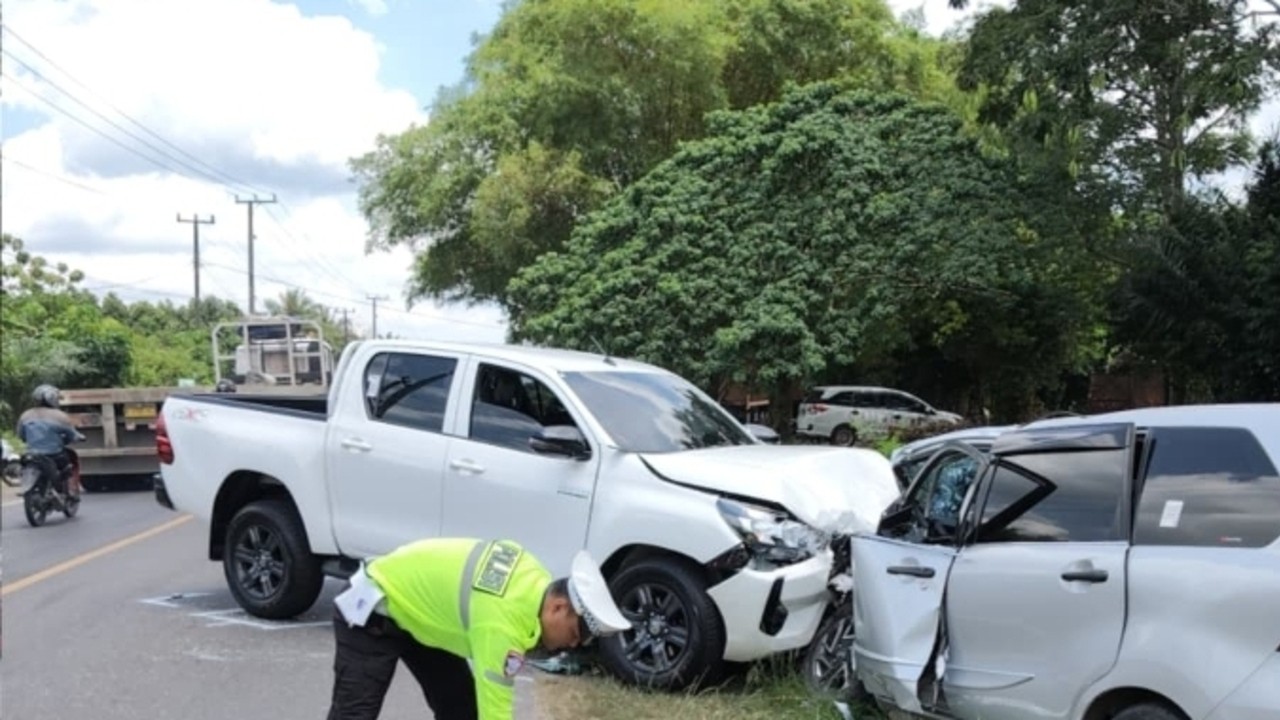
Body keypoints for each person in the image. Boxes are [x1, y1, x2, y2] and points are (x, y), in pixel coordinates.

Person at [326, 537, 631, 720]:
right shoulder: (502, 625)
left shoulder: (535, 577)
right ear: (558, 607)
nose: (571, 646)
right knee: (354, 716)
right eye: (574, 635)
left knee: (459, 709)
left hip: (421, 616)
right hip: (372, 609)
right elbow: (495, 711)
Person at [16, 384, 85, 498]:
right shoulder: (59, 416)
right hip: (54, 454)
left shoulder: (25, 415)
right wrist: (79, 437)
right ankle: (71, 489)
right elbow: (72, 434)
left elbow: (21, 435)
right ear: (52, 398)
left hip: (31, 454)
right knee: (68, 462)